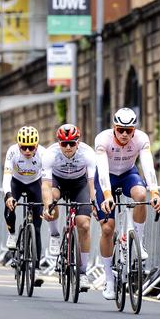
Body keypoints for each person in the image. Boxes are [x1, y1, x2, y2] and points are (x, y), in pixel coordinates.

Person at [94, 107, 160, 300]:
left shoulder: (141, 139)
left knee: (141, 195)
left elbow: (147, 166)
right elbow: (101, 169)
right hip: (106, 177)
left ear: (134, 129)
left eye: (129, 130)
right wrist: (107, 195)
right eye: (121, 130)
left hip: (127, 174)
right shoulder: (103, 139)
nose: (125, 134)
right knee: (108, 229)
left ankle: (138, 241)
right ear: (114, 127)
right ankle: (109, 279)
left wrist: (155, 192)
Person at [41, 124, 112, 290]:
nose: (67, 147)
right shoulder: (50, 154)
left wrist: (94, 204)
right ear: (58, 143)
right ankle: (55, 233)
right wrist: (47, 206)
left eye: (71, 143)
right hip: (58, 182)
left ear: (77, 143)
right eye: (64, 143)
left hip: (79, 184)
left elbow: (91, 183)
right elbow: (45, 184)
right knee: (53, 199)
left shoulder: (87, 154)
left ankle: (82, 271)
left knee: (84, 224)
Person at [2, 126, 47, 285]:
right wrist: (8, 196)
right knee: (10, 205)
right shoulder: (12, 152)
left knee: (36, 227)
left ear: (37, 145)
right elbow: (6, 177)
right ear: (18, 145)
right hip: (17, 182)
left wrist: (47, 201)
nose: (27, 151)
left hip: (35, 183)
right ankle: (13, 234)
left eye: (31, 147)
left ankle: (36, 267)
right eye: (24, 147)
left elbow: (48, 180)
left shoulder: (43, 154)